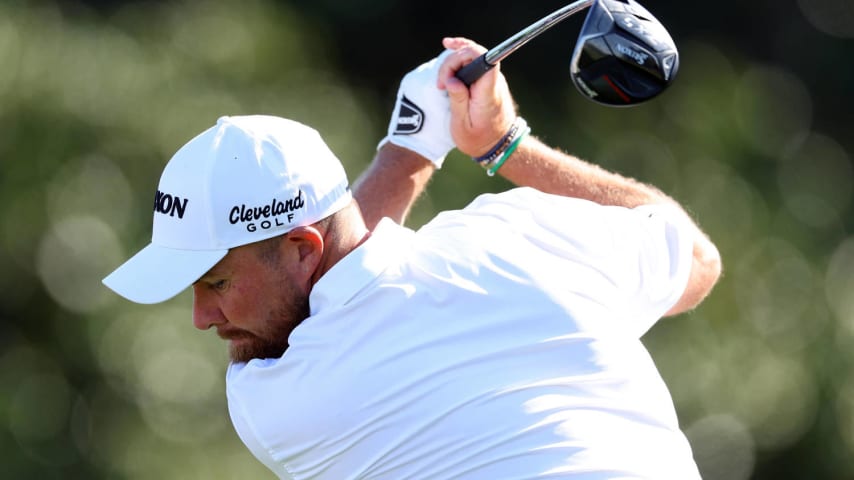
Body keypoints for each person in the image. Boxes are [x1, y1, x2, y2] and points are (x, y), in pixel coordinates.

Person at [103, 37, 721, 479]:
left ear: (300, 248)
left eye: (214, 282)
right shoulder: (521, 235)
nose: (201, 317)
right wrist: (506, 145)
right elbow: (695, 260)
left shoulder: (277, 401)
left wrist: (411, 147)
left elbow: (345, 272)